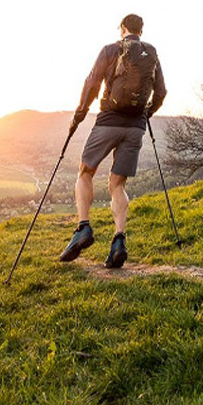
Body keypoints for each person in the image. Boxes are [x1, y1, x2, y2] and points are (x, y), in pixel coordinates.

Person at [59, 13, 167, 268]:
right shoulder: (151, 53)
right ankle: (119, 240)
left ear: (122, 28)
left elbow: (92, 83)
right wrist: (146, 113)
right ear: (141, 31)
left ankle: (83, 228)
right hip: (135, 127)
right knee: (117, 184)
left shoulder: (111, 49)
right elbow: (161, 92)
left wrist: (79, 116)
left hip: (108, 121)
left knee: (85, 172)